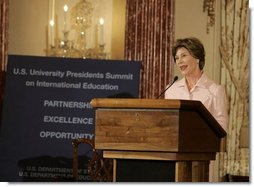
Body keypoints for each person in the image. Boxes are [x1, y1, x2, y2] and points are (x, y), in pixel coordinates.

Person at [164, 37, 228, 182]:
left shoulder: (215, 90)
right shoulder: (170, 90)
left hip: (203, 159)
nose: (179, 61)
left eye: (184, 56)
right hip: (175, 157)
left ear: (197, 58)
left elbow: (222, 128)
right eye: (176, 58)